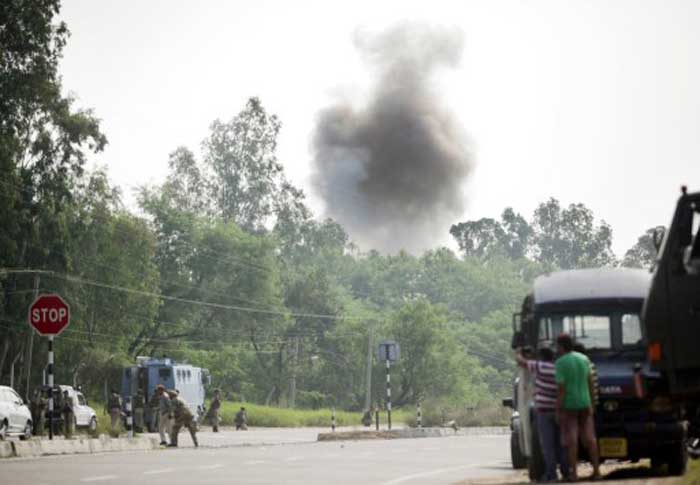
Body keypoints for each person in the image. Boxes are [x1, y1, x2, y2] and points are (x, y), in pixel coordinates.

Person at [516, 346, 568, 482]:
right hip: (559, 410)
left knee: (548, 446)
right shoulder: (558, 368)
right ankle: (566, 472)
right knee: (561, 444)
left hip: (544, 411)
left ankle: (551, 474)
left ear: (542, 357)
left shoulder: (540, 366)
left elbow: (521, 362)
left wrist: (518, 351)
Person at [555, 333, 601, 481]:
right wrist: (592, 404)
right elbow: (590, 384)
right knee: (590, 439)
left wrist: (558, 409)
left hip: (570, 406)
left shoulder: (560, 363)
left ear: (561, 346)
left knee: (572, 441)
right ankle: (597, 471)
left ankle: (574, 474)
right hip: (585, 404)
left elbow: (561, 390)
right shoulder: (584, 359)